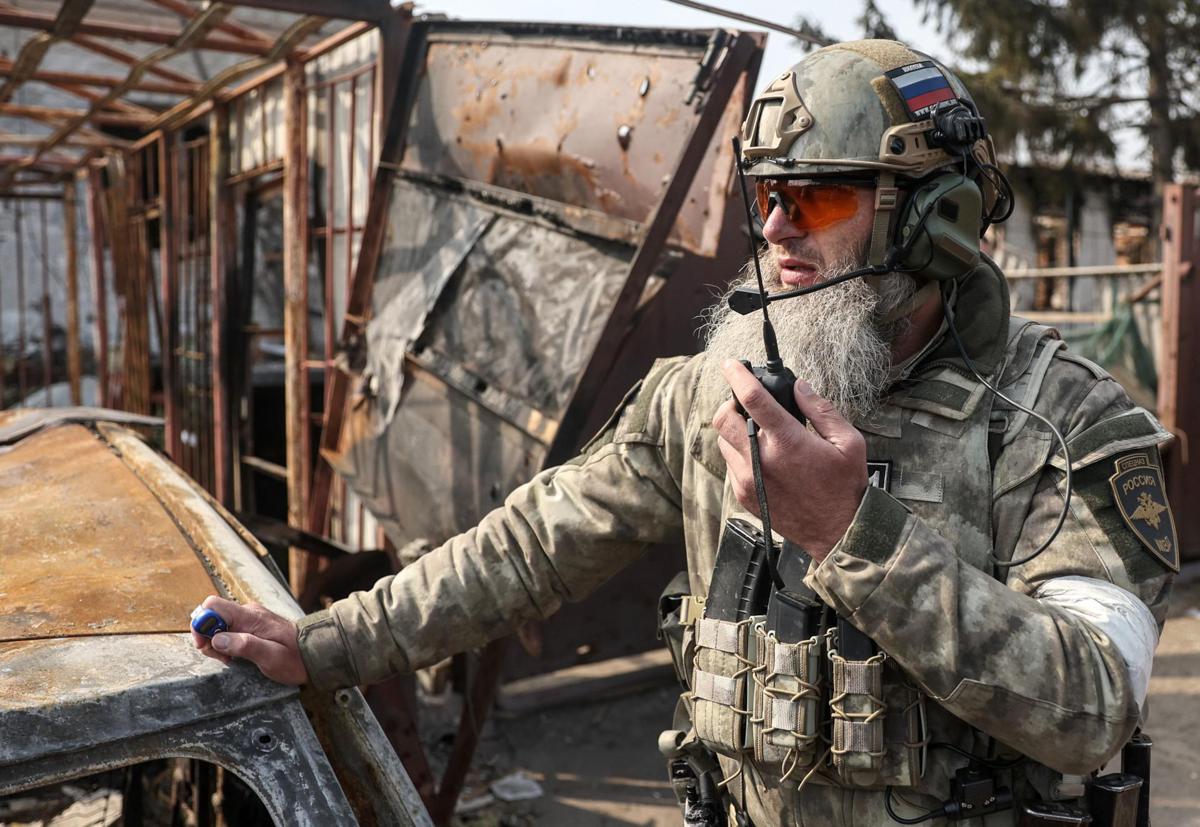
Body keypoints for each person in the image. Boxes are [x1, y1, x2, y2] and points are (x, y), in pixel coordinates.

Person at [194, 39, 1177, 825]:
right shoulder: (720, 384)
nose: (779, 229)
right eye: (768, 195)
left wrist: (853, 536)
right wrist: (328, 642)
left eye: (817, 195)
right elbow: (531, 546)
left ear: (935, 218)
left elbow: (1094, 708)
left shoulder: (1062, 421)